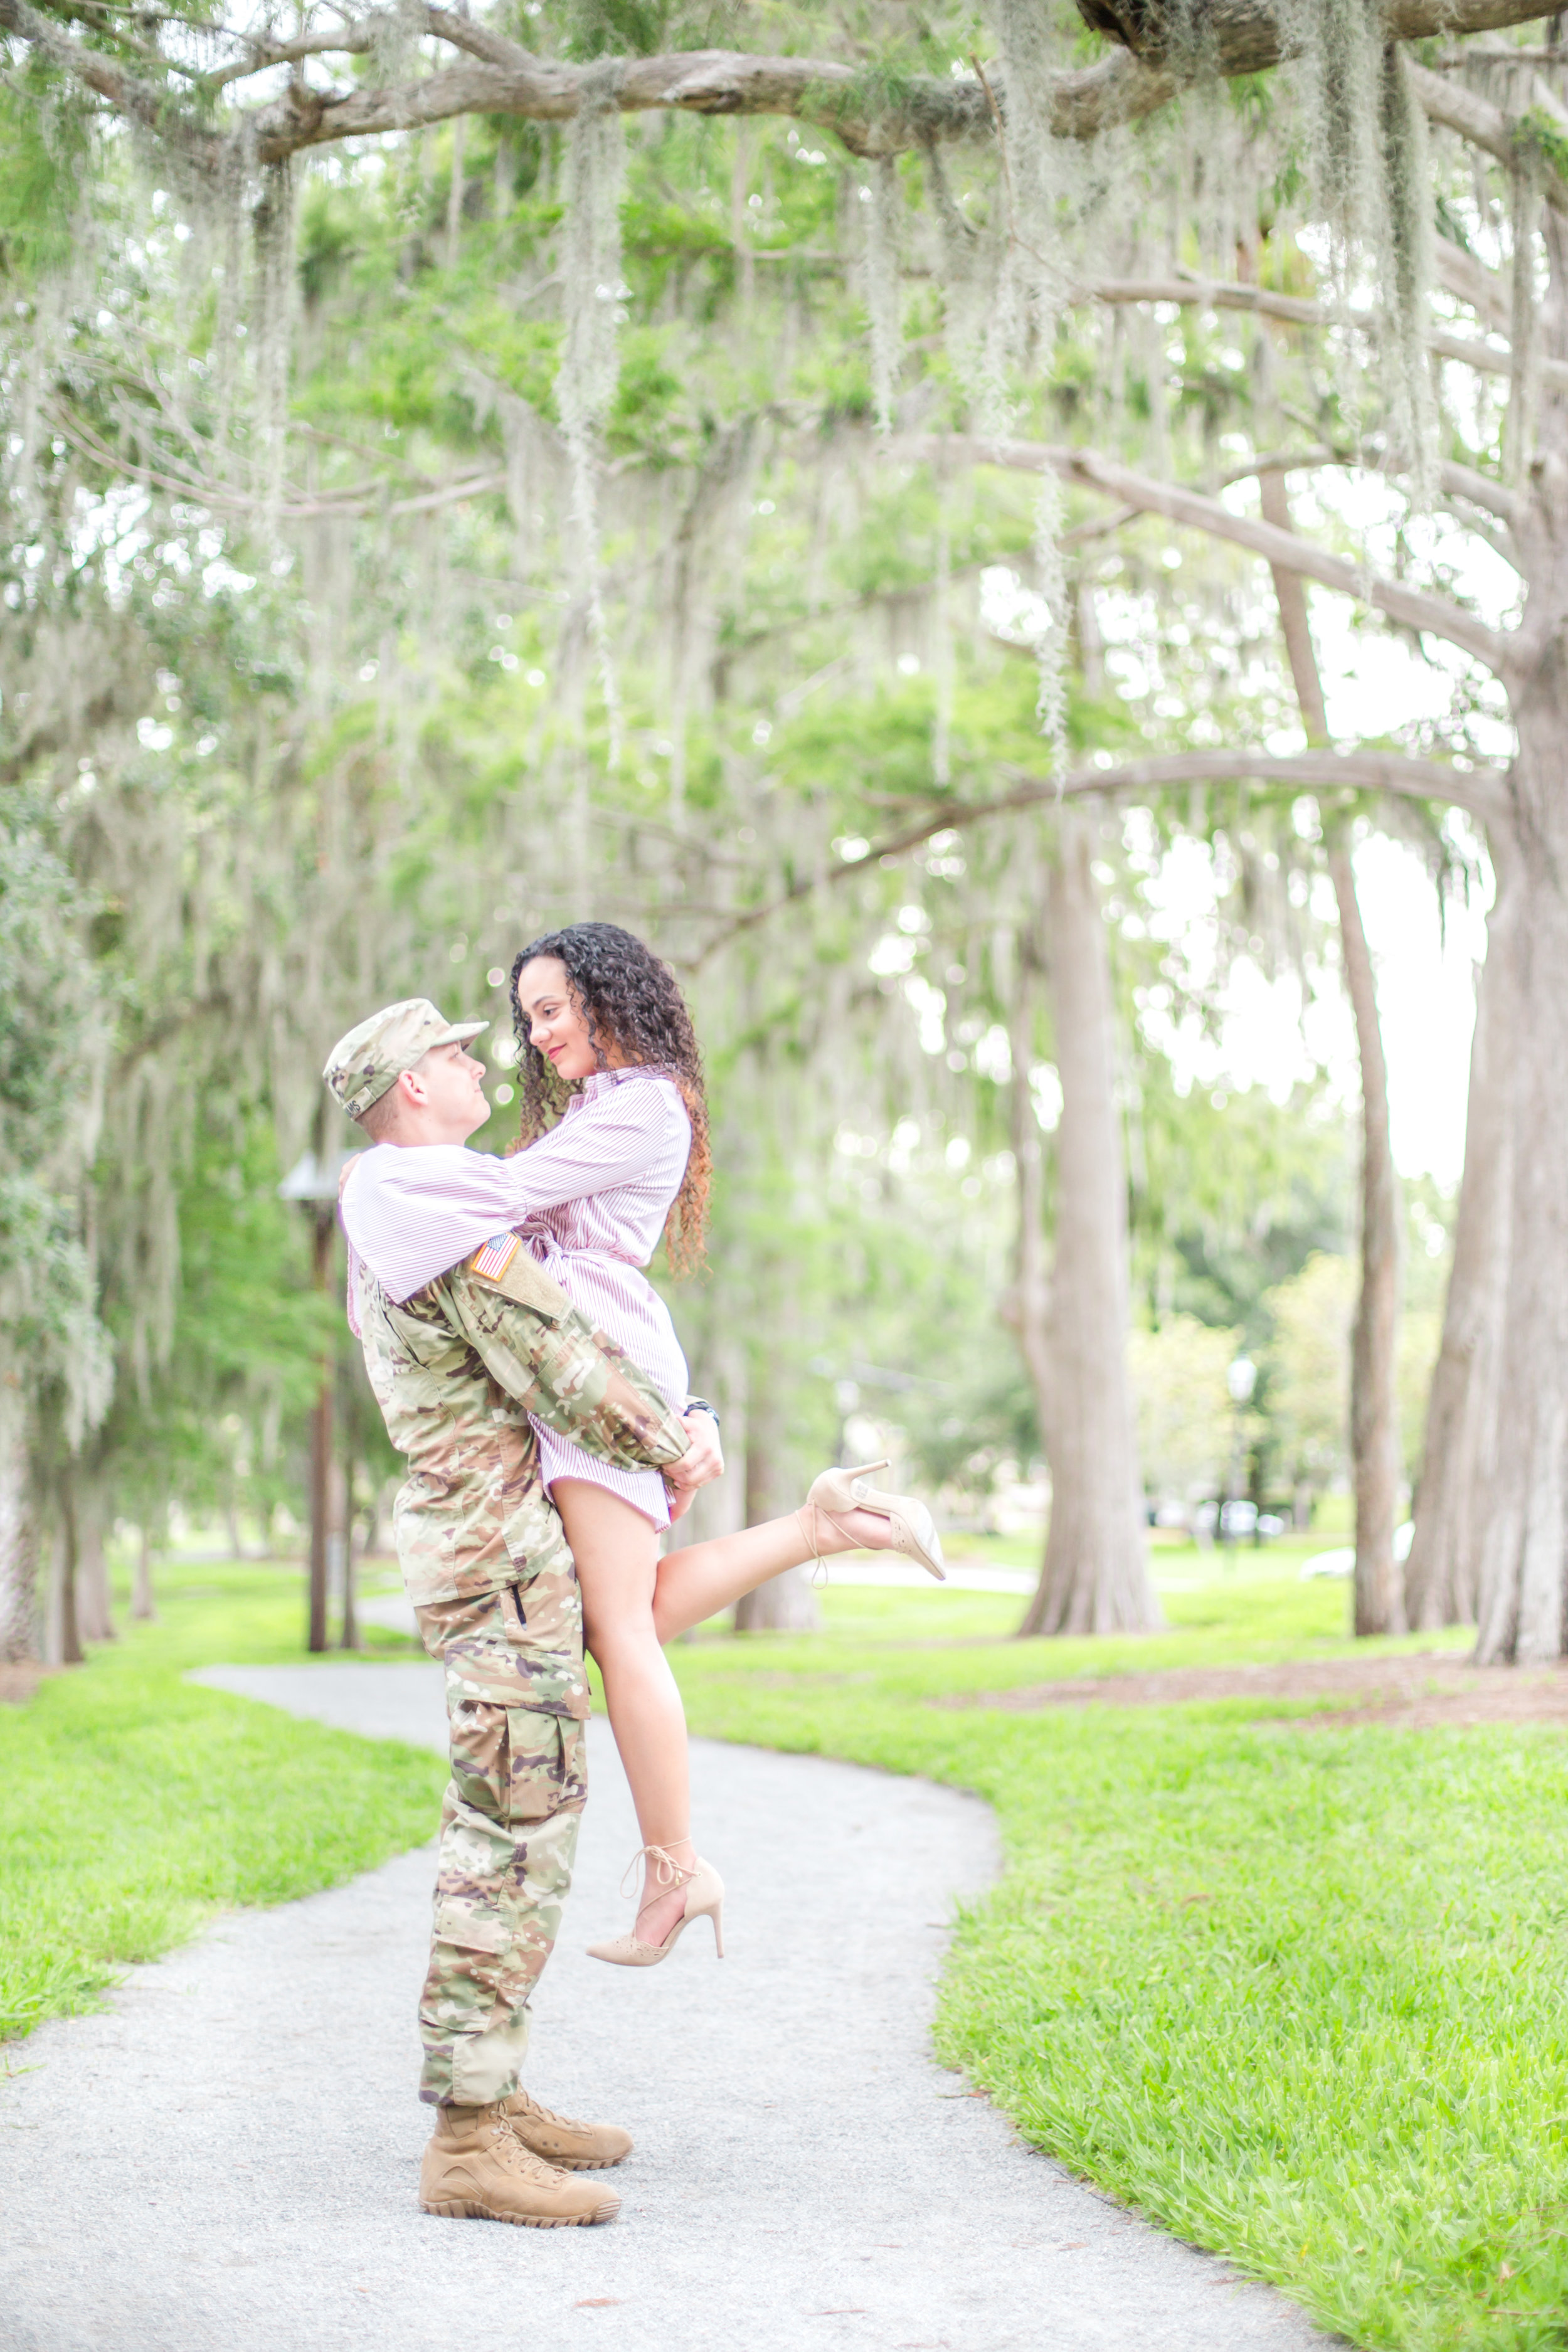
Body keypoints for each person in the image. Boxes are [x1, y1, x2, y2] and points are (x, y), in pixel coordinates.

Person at [324, 994, 933, 2227]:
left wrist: (678, 1423)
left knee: (521, 1818)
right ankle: (467, 2142)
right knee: (511, 1829)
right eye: (447, 1052)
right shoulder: (431, 1206)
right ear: (407, 1095)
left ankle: (491, 2097)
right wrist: (677, 1440)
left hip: (487, 1554)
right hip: (497, 1563)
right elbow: (555, 1354)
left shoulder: (421, 1202)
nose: (474, 1057)